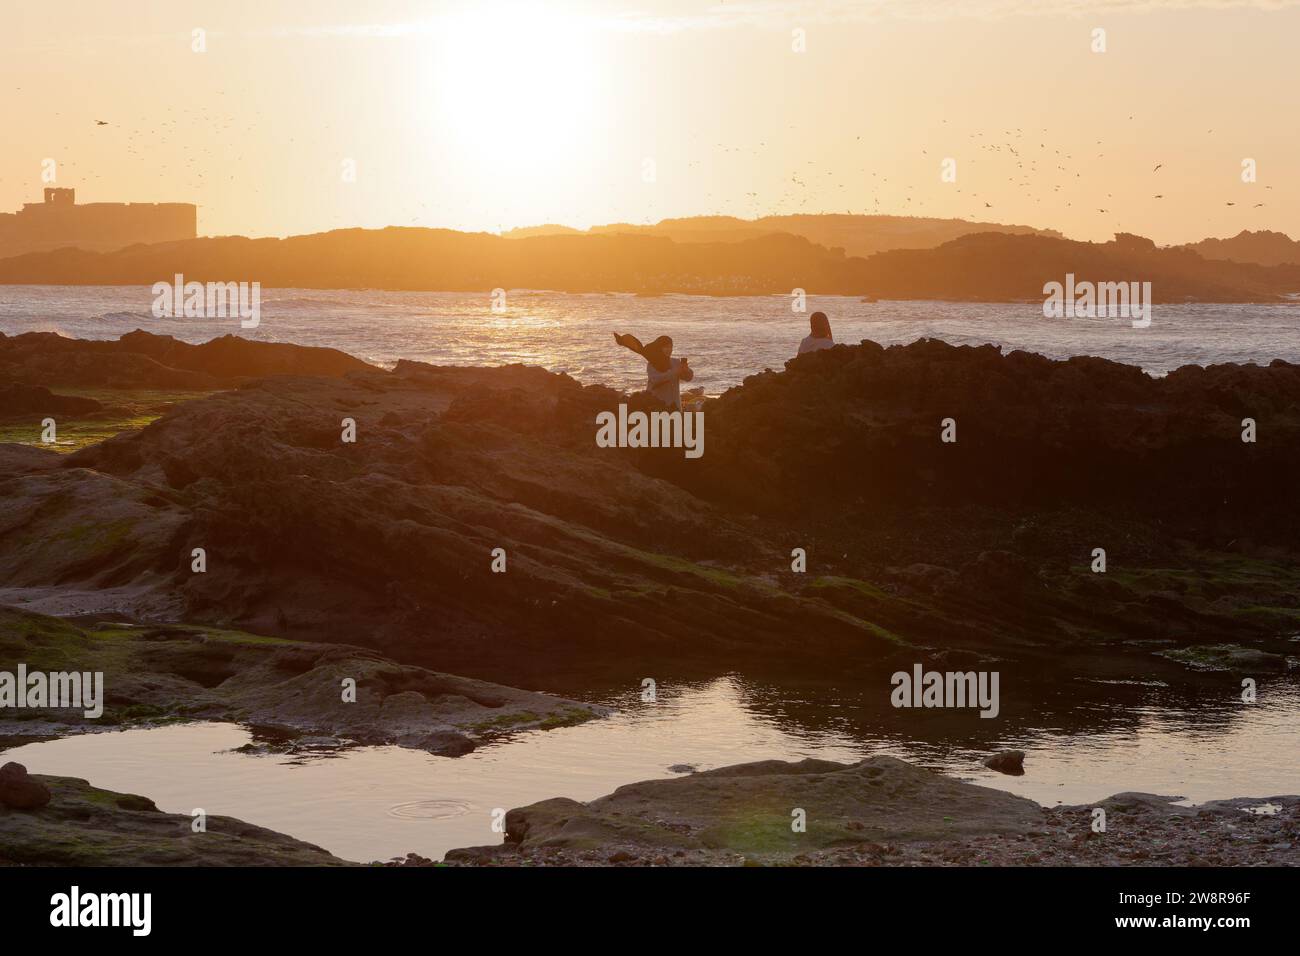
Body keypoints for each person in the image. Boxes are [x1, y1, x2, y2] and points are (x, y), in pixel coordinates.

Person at [614, 332, 694, 409]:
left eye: (671, 347)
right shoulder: (652, 364)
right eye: (666, 347)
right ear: (659, 348)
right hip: (657, 405)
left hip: (675, 406)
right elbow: (656, 379)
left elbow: (688, 378)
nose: (669, 349)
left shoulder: (676, 362)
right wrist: (674, 372)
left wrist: (686, 371)